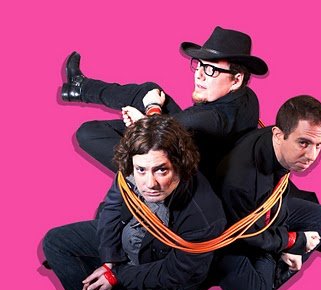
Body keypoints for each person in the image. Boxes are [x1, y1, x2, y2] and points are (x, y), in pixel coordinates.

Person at [43, 115, 226, 290]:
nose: (149, 184)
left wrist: (116, 276)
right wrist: (109, 260)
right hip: (127, 239)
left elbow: (178, 271)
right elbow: (111, 209)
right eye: (141, 170)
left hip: (158, 265)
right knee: (54, 243)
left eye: (161, 170)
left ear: (181, 164)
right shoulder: (133, 167)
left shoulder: (205, 216)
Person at [61, 26, 268, 179]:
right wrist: (149, 113)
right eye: (199, 65)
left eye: (211, 70)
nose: (199, 75)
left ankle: (140, 181)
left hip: (182, 177)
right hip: (195, 146)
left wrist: (147, 115)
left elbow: (159, 135)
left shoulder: (212, 119)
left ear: (236, 79)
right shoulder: (246, 96)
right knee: (151, 90)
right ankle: (79, 87)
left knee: (88, 132)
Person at [213, 95, 321, 290]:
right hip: (232, 238)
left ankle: (280, 263)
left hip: (269, 214)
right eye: (304, 143)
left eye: (318, 145)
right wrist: (292, 242)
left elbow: (277, 197)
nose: (312, 156)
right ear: (279, 135)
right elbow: (247, 235)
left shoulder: (278, 145)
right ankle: (276, 271)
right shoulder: (240, 181)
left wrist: (292, 244)